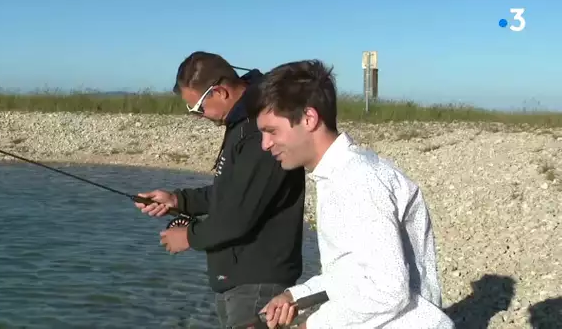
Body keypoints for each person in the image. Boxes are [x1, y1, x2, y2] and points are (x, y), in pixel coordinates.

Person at [249, 59, 455, 328]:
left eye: (271, 131)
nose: (265, 145)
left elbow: (388, 291)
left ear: (309, 118)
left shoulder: (358, 180)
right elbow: (353, 274)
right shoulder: (339, 174)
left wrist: (313, 325)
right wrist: (295, 295)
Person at [133, 51, 307, 328]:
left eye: (198, 108)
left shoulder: (257, 130)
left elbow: (238, 217)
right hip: (238, 278)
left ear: (220, 92)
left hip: (258, 281)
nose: (198, 116)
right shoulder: (241, 124)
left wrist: (188, 237)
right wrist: (178, 200)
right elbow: (231, 193)